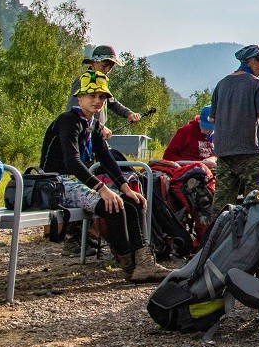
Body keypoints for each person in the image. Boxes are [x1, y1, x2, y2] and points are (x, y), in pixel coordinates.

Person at [41, 71, 171, 282]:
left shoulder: (92, 125)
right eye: (91, 96)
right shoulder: (69, 120)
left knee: (133, 201)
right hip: (56, 182)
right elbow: (72, 161)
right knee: (112, 205)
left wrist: (126, 187)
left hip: (74, 181)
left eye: (101, 97)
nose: (97, 101)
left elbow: (107, 158)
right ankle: (128, 264)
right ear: (79, 97)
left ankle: (145, 262)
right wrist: (102, 188)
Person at [209, 44, 259, 211]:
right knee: (254, 203)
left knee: (221, 203)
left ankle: (216, 235)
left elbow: (212, 118)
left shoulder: (222, 84)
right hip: (250, 152)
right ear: (251, 61)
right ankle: (249, 236)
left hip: (225, 152)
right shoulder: (257, 84)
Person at [66, 45, 142, 139]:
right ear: (93, 63)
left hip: (96, 135)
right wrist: (99, 127)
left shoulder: (102, 83)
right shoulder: (82, 82)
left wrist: (129, 114)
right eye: (104, 65)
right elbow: (73, 112)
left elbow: (112, 103)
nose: (107, 70)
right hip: (82, 136)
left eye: (111, 67)